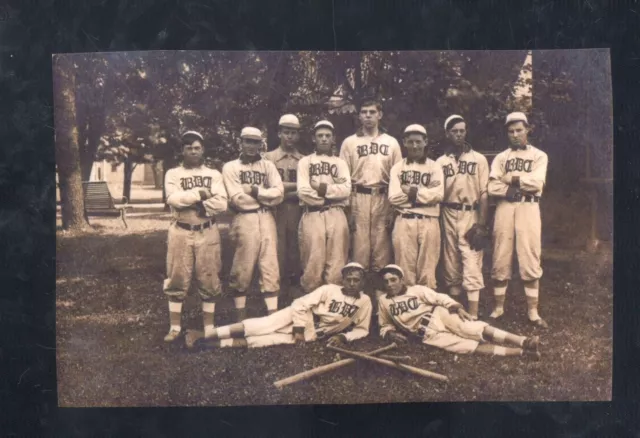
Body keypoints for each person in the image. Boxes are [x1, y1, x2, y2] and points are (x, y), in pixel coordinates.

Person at [185, 263, 372, 349]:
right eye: (349, 279)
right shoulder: (330, 289)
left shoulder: (364, 302)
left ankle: (207, 345)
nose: (353, 283)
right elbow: (300, 304)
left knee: (264, 341)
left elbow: (362, 330)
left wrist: (344, 337)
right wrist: (298, 329)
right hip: (300, 316)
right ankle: (201, 334)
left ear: (363, 282)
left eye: (357, 280)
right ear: (343, 279)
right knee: (261, 326)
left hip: (315, 333)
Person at [377, 265, 541, 359]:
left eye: (394, 280)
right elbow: (384, 324)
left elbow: (439, 297)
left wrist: (456, 307)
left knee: (471, 328)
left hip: (439, 315)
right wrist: (390, 333)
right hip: (426, 334)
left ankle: (523, 341)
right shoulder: (383, 301)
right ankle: (522, 353)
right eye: (386, 282)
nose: (390, 284)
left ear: (401, 280)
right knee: (464, 346)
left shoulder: (416, 289)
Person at [162, 131, 228, 342]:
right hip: (181, 230)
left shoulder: (214, 174)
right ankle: (174, 327)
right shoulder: (173, 173)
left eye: (197, 147)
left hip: (207, 230)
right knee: (177, 276)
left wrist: (199, 204)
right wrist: (201, 195)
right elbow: (173, 199)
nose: (193, 151)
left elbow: (222, 203)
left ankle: (209, 326)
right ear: (182, 150)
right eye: (189, 147)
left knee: (209, 276)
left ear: (203, 150)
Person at [487, 112, 549, 329]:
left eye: (519, 130)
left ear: (527, 129)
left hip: (529, 206)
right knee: (500, 253)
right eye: (511, 131)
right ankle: (498, 308)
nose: (515, 134)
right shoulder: (501, 157)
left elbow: (537, 183)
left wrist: (511, 179)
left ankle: (533, 311)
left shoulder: (539, 155)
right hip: (505, 207)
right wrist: (508, 189)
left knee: (529, 253)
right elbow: (492, 187)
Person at [222, 127, 284, 322]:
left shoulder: (267, 166)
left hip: (266, 218)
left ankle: (272, 317)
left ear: (261, 144)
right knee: (243, 265)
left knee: (270, 264)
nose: (251, 146)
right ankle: (241, 317)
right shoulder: (230, 167)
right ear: (240, 142)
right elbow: (237, 199)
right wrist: (266, 197)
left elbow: (279, 194)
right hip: (244, 217)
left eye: (255, 142)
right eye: (247, 141)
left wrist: (257, 192)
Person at [339, 98, 402, 276]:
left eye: (372, 112)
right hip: (358, 196)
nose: (368, 116)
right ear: (359, 116)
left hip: (383, 195)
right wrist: (347, 206)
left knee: (382, 246)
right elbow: (343, 177)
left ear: (379, 115)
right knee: (360, 247)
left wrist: (393, 208)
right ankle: (359, 293)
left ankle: (380, 294)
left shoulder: (391, 143)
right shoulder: (349, 143)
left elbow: (398, 177)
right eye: (364, 112)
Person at [435, 115, 490, 319]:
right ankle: (458, 313)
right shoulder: (440, 162)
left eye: (462, 130)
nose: (459, 134)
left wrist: (482, 225)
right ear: (447, 133)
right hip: (448, 212)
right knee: (451, 262)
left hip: (471, 212)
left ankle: (474, 314)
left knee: (471, 259)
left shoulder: (478, 159)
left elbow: (484, 193)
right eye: (454, 131)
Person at [297, 120, 351, 294]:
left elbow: (346, 190)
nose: (324, 139)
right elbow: (303, 191)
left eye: (328, 136)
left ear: (333, 138)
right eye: (320, 136)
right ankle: (312, 304)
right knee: (313, 260)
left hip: (336, 213)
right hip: (312, 214)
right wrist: (328, 197)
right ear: (314, 138)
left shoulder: (340, 163)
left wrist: (321, 189)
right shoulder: (305, 162)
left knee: (337, 261)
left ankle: (332, 302)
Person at [388, 124, 444, 289]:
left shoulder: (434, 166)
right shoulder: (398, 167)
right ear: (404, 142)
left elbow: (438, 195)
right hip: (404, 221)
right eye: (410, 142)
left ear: (425, 142)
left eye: (418, 142)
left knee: (427, 269)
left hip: (429, 220)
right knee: (404, 269)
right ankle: (409, 309)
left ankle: (426, 310)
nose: (414, 146)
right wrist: (423, 196)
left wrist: (411, 193)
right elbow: (393, 198)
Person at [264, 114, 305, 292]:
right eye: (286, 132)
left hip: (297, 209)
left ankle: (296, 283)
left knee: (297, 244)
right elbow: (265, 188)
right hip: (275, 209)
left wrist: (280, 189)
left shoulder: (304, 160)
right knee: (275, 246)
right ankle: (275, 284)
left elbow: (307, 189)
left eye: (293, 133)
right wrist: (293, 188)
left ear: (298, 135)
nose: (290, 136)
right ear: (279, 133)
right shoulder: (268, 158)